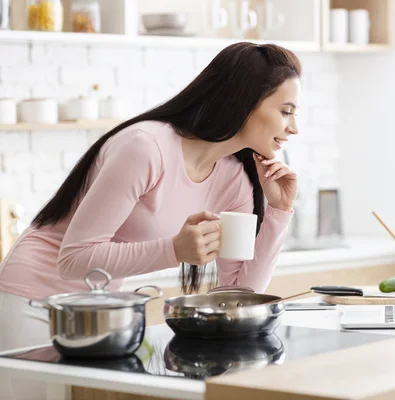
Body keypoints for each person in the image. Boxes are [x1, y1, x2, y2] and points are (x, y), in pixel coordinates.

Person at [0, 42, 301, 399]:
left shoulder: (234, 177)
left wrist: (279, 211)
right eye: (286, 111)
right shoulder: (145, 147)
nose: (293, 127)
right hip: (35, 298)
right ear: (244, 101)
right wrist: (174, 250)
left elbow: (239, 296)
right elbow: (72, 260)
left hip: (103, 310)